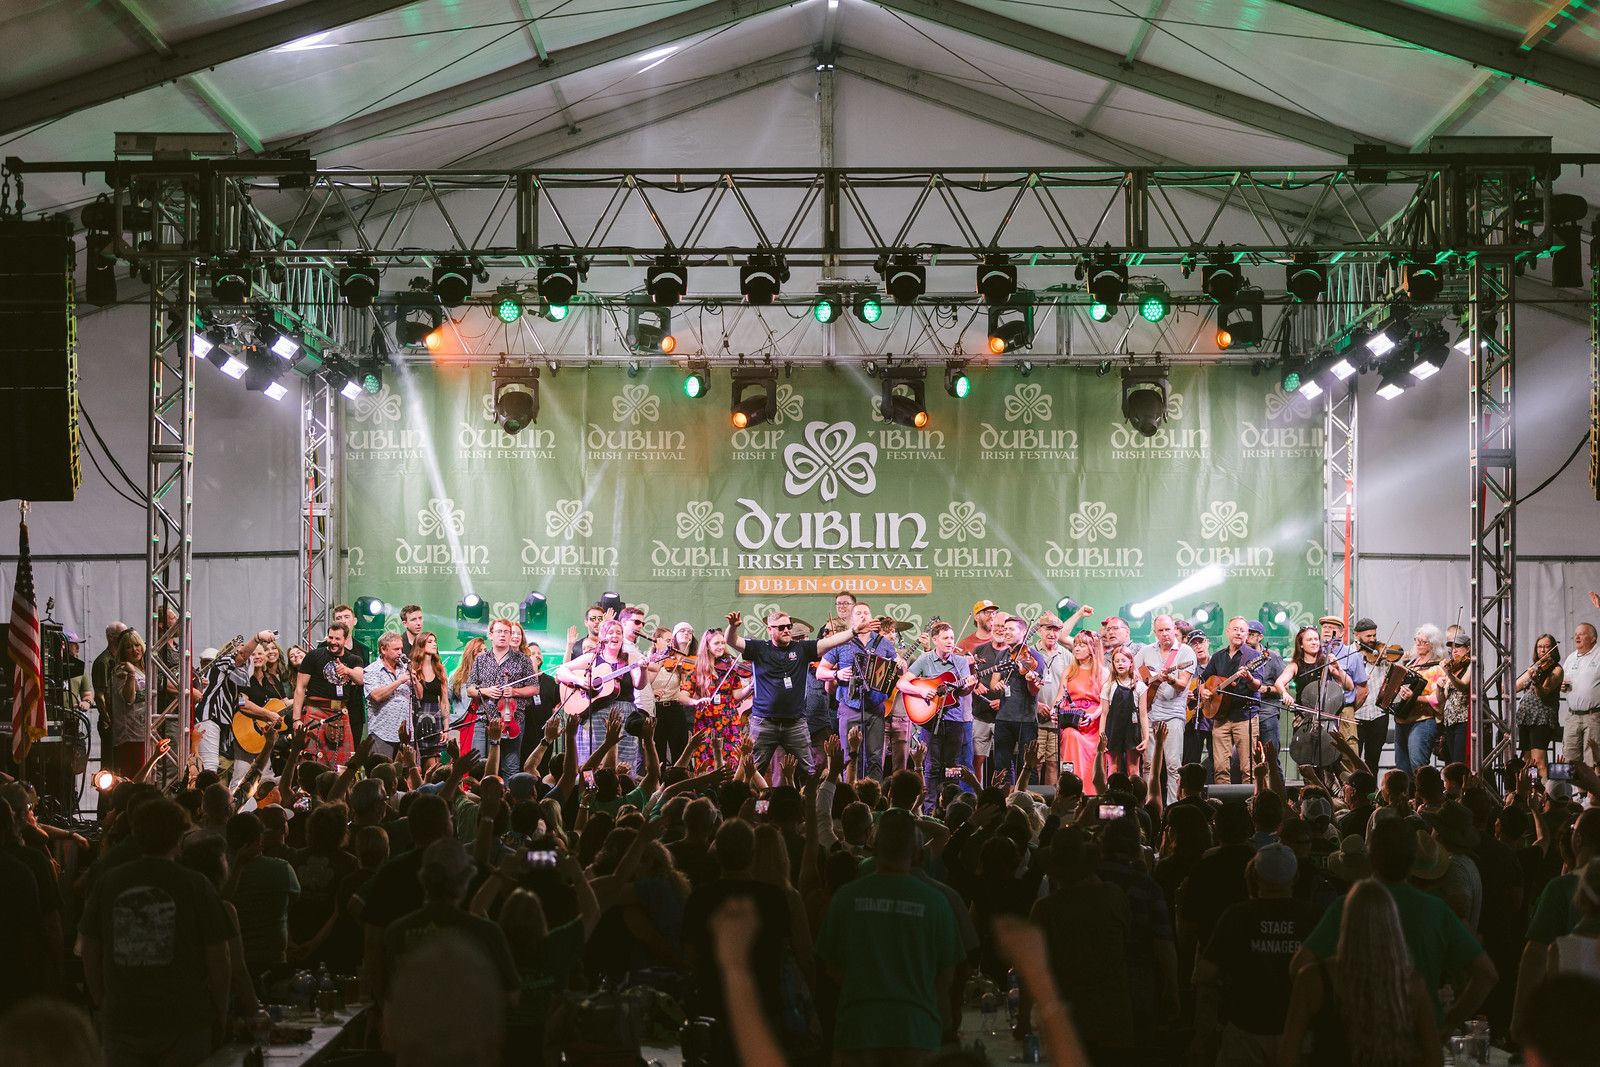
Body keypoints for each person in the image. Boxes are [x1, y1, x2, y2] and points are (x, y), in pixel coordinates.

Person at [1293, 818, 1496, 1031]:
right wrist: (1448, 1023)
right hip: (1421, 1034)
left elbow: (1299, 965)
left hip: (1356, 1034)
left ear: (1371, 858)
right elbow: (1486, 974)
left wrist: (1326, 1015)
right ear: (1411, 863)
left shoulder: (1347, 905)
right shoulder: (1437, 909)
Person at [79, 799, 232, 1067]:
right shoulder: (197, 885)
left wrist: (101, 1000)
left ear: (136, 833)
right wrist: (221, 1012)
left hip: (123, 1018)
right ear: (179, 835)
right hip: (183, 1019)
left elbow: (89, 948)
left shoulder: (109, 882)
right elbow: (219, 958)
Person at [816, 808, 963, 1061]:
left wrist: (865, 985)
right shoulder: (936, 902)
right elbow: (947, 973)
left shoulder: (845, 898)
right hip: (917, 1031)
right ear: (917, 853)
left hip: (858, 1030)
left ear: (874, 844)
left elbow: (828, 964)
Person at [1278, 879, 1442, 1067]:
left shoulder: (1313, 979)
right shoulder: (1410, 983)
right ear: (1392, 924)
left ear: (1346, 922)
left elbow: (1288, 1055)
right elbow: (1433, 1058)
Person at [1192, 844, 1321, 1067]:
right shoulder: (1312, 916)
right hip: (1298, 1031)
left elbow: (1205, 973)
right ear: (1295, 876)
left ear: (1254, 875)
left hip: (1246, 1029)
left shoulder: (1237, 915)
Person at [1027, 827, 1133, 1059]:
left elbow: (1032, 969)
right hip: (1115, 1015)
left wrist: (1023, 1022)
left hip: (1068, 1019)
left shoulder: (1046, 909)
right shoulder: (1114, 896)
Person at [375, 839, 519, 1009]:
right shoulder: (487, 932)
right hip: (468, 1030)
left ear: (424, 879)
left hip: (411, 1030)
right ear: (465, 880)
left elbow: (385, 993)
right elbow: (512, 998)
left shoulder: (396, 932)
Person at [725, 607, 862, 780]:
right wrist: (733, 627)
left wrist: (855, 630)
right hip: (764, 722)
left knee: (809, 771)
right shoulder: (759, 648)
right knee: (753, 769)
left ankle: (808, 804)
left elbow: (830, 642)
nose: (786, 630)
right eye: (781, 627)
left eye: (788, 626)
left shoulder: (801, 648)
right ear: (770, 629)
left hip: (795, 723)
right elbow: (732, 641)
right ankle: (757, 806)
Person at [898, 620, 978, 805]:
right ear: (935, 640)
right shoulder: (925, 660)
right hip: (931, 720)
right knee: (932, 766)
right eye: (945, 638)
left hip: (955, 720)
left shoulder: (960, 662)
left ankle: (950, 805)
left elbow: (964, 691)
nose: (950, 641)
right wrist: (922, 691)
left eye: (951, 637)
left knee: (952, 766)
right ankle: (929, 806)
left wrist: (970, 685)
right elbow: (902, 683)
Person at [817, 602, 900, 780]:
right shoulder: (842, 642)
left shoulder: (883, 643)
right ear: (851, 619)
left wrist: (900, 665)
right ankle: (850, 797)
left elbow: (900, 666)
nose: (863, 616)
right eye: (859, 613)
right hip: (849, 707)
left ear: (871, 618)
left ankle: (874, 799)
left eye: (866, 613)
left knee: (875, 758)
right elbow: (820, 671)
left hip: (876, 709)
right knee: (850, 757)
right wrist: (836, 673)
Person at [556, 618, 644, 769]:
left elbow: (639, 684)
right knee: (594, 762)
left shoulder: (630, 659)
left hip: (625, 716)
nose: (615, 636)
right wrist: (577, 680)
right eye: (610, 632)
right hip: (596, 716)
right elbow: (561, 670)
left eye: (619, 633)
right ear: (603, 637)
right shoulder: (593, 658)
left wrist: (643, 669)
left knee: (624, 764)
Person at [225, 810, 302, 975]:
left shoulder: (222, 875)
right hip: (273, 959)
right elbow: (295, 899)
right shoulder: (282, 868)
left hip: (231, 958)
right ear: (260, 838)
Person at [465, 618, 537, 773]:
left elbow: (534, 688)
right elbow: (469, 688)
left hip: (512, 719)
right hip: (484, 718)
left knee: (510, 766)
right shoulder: (481, 660)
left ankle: (508, 796)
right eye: (499, 631)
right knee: (478, 766)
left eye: (506, 632)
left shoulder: (523, 660)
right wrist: (485, 691)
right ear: (491, 635)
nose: (503, 635)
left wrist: (515, 691)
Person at [1138, 615, 1197, 804]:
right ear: (1155, 632)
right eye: (1160, 630)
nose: (1165, 634)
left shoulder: (1185, 652)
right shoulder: (1146, 651)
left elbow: (1182, 684)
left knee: (1173, 765)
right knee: (1148, 765)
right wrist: (1146, 681)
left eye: (1168, 629)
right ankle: (1150, 806)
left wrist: (1169, 679)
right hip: (1149, 713)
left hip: (1173, 715)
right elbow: (1134, 674)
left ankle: (1172, 806)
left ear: (1174, 629)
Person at [1201, 616, 1267, 786]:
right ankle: (1223, 806)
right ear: (1227, 632)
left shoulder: (1253, 656)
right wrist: (1204, 691)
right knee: (1220, 767)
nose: (1238, 633)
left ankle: (1250, 805)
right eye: (1235, 629)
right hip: (1220, 717)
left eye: (1242, 630)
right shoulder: (1217, 657)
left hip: (1245, 716)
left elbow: (1257, 685)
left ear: (1247, 635)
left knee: (1248, 768)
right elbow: (1204, 680)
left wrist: (1250, 677)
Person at [291, 622, 364, 765]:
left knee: (342, 763)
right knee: (311, 761)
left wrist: (347, 671)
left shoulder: (353, 659)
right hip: (315, 710)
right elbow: (300, 687)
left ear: (345, 639)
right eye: (330, 638)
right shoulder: (314, 656)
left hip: (340, 713)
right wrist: (296, 719)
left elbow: (361, 679)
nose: (333, 642)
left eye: (337, 639)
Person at [688, 626, 751, 770]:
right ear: (707, 646)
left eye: (723, 643)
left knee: (732, 759)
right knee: (706, 759)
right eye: (717, 643)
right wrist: (695, 701)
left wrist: (750, 687)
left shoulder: (730, 666)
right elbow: (683, 694)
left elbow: (736, 695)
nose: (721, 646)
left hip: (729, 718)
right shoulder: (698, 669)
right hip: (707, 719)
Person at [1056, 629, 1105, 792]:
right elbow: (1060, 697)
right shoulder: (1070, 670)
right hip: (1071, 720)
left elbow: (1105, 704)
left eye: (1082, 645)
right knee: (1071, 735)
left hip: (1093, 723)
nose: (1076, 648)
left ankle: (1091, 792)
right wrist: (1054, 710)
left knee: (1093, 756)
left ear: (1092, 648)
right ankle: (1071, 790)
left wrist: (1092, 716)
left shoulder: (1103, 673)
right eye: (1075, 645)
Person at [1392, 625, 1445, 774]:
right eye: (1417, 640)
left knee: (1418, 765)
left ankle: (1424, 796)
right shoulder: (1411, 665)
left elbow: (1438, 699)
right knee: (1401, 767)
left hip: (1423, 720)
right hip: (1402, 720)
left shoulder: (1437, 668)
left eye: (1423, 641)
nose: (1418, 643)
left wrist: (1414, 698)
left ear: (1432, 645)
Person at [1516, 633, 1563, 783]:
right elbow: (1515, 686)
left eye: (1547, 646)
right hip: (1526, 717)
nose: (1542, 650)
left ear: (1553, 649)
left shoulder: (1556, 669)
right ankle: (1532, 790)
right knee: (1528, 761)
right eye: (1539, 647)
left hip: (1541, 718)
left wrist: (1535, 681)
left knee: (1539, 762)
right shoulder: (1535, 668)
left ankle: (1546, 795)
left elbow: (1543, 692)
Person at [364, 633, 416, 761]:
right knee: (383, 772)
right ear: (383, 649)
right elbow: (376, 695)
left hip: (406, 734)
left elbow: (419, 695)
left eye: (401, 649)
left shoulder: (404, 669)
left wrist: (415, 679)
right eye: (396, 649)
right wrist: (399, 681)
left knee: (405, 774)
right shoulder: (371, 670)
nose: (400, 653)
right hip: (382, 733)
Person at [1318, 615, 1369, 746]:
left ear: (1341, 633)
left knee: (1348, 753)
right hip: (1319, 710)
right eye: (1324, 627)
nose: (1327, 630)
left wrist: (1349, 709)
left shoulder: (1353, 655)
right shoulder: (1316, 653)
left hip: (1344, 710)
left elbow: (1363, 690)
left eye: (1332, 627)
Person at [1349, 618, 1391, 772]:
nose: (1373, 640)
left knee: (1373, 760)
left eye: (1374, 635)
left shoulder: (1381, 653)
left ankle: (1370, 794)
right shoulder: (1349, 655)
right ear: (1357, 636)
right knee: (1354, 759)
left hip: (1378, 714)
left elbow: (1392, 676)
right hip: (1356, 714)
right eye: (1368, 636)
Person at [1102, 645, 1149, 778]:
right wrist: (1102, 738)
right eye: (1117, 661)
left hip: (1132, 730)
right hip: (1113, 730)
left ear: (1131, 663)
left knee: (1133, 770)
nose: (1120, 664)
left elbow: (1143, 715)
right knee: (1113, 769)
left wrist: (1145, 738)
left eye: (1123, 660)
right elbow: (1104, 714)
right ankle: (1112, 797)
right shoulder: (1108, 686)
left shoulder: (1140, 687)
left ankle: (1135, 798)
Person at [109, 629, 149, 778]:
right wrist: (131, 674)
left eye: (137, 645)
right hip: (131, 735)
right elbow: (129, 698)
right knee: (135, 777)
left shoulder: (145, 669)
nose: (134, 650)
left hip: (145, 732)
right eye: (129, 647)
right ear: (123, 651)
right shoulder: (122, 670)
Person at [1562, 618, 1600, 767]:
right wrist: (1562, 686)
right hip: (1572, 716)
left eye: (1582, 634)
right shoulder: (1571, 658)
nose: (1577, 637)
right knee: (1571, 759)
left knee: (1592, 759)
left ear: (1593, 638)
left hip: (1594, 716)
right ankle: (1579, 792)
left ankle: (1593, 790)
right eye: (1576, 634)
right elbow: (1563, 681)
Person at [409, 631, 447, 773]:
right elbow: (418, 696)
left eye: (435, 641)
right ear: (421, 644)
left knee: (433, 766)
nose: (434, 644)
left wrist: (446, 727)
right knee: (415, 766)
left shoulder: (439, 668)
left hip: (434, 716)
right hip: (417, 716)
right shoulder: (412, 668)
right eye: (430, 641)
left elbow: (444, 701)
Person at [1436, 634, 1473, 765]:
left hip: (1463, 720)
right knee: (1451, 763)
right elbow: (1442, 701)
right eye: (1452, 647)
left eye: (1458, 646)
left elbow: (1463, 686)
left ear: (1468, 649)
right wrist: (1439, 687)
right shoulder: (1454, 667)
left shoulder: (1471, 665)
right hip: (1449, 721)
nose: (1454, 650)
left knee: (1459, 762)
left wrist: (1448, 674)